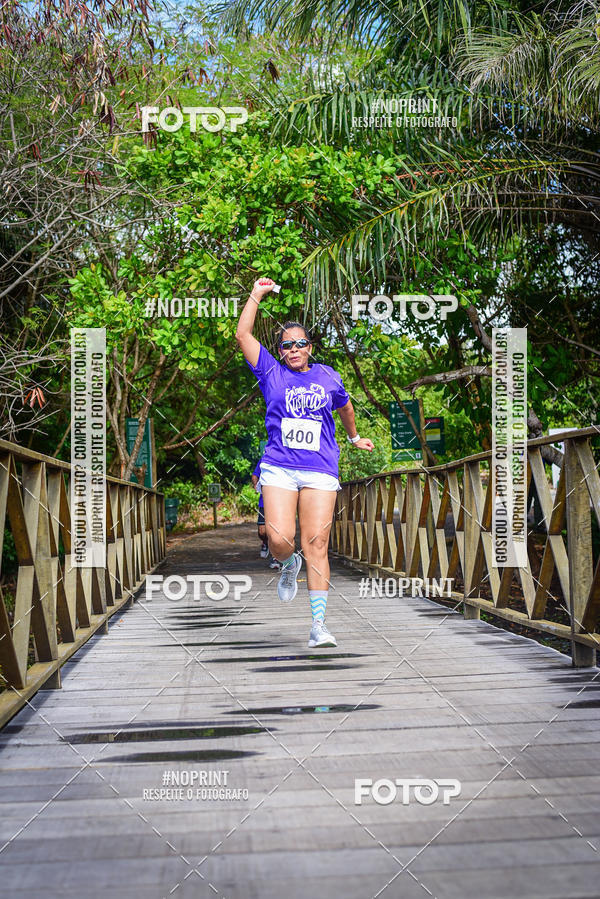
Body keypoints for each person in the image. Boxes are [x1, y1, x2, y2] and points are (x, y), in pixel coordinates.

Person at [235, 277, 375, 647]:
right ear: (280, 351)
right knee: (280, 539)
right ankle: (286, 563)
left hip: (320, 467)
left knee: (317, 541)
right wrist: (256, 294)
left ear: (310, 347)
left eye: (300, 344)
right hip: (279, 466)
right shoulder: (270, 371)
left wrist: (353, 436)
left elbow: (345, 405)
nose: (294, 349)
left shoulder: (328, 375)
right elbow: (243, 336)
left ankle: (319, 625)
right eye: (287, 345)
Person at [251, 460, 280, 569]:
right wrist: (255, 485)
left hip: (279, 502)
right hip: (264, 501)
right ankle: (265, 542)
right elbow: (255, 475)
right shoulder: (265, 460)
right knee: (262, 531)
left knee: (275, 531)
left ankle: (275, 558)